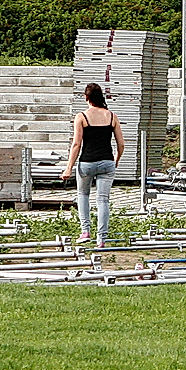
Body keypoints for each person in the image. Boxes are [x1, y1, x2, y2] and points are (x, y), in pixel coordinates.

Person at [61, 82, 125, 247]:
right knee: (103, 200)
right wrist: (116, 160)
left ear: (86, 97)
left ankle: (85, 231)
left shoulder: (81, 117)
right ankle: (101, 239)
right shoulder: (112, 116)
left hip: (87, 162)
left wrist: (68, 167)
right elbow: (121, 144)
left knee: (83, 195)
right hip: (107, 162)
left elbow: (76, 144)